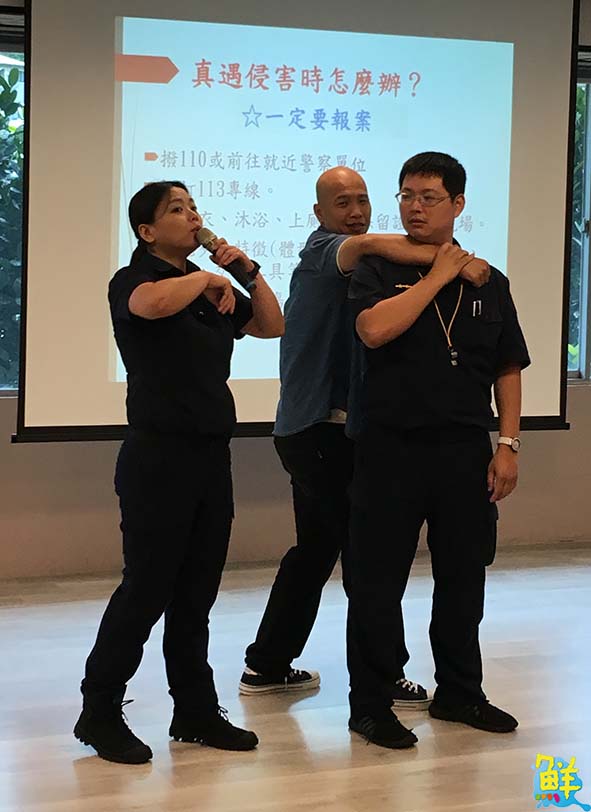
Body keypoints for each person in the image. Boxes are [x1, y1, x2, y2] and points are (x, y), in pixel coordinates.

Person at [240, 167, 489, 708]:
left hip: (321, 429)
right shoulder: (324, 251)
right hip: (320, 430)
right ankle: (384, 675)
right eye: (342, 203)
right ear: (319, 213)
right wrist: (454, 260)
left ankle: (268, 662)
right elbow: (369, 245)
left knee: (317, 550)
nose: (356, 212)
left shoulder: (370, 263)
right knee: (366, 553)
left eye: (363, 200)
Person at [74, 181, 284, 764]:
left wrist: (244, 271)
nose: (192, 216)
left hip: (210, 457)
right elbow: (151, 305)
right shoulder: (133, 279)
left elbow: (272, 324)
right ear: (147, 231)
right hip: (157, 458)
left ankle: (194, 710)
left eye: (194, 206)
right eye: (177, 209)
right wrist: (205, 279)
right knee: (146, 590)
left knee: (196, 594)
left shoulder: (209, 285)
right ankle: (98, 710)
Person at [346, 152, 530, 749]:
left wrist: (508, 443)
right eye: (406, 196)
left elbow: (507, 366)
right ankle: (371, 705)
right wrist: (436, 277)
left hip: (464, 451)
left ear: (457, 204)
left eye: (428, 197)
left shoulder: (491, 282)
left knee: (463, 578)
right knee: (376, 582)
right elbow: (374, 330)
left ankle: (460, 692)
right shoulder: (376, 267)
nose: (415, 207)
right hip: (389, 449)